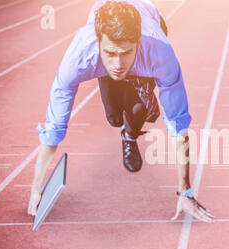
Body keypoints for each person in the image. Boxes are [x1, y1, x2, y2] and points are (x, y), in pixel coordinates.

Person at [27, 0, 214, 223]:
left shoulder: (160, 53)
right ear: (98, 43)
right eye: (110, 53)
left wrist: (186, 192)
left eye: (125, 53)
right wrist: (36, 188)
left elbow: (178, 123)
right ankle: (125, 112)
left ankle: (134, 125)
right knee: (114, 117)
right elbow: (53, 128)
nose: (118, 63)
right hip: (111, 55)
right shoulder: (79, 58)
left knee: (136, 110)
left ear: (137, 42)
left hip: (148, 39)